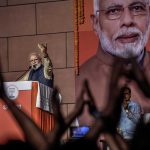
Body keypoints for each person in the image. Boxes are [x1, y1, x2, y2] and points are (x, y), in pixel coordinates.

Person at [76, 0, 150, 126]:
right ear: (96, 23)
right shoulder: (77, 85)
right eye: (114, 11)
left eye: (137, 8)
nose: (127, 20)